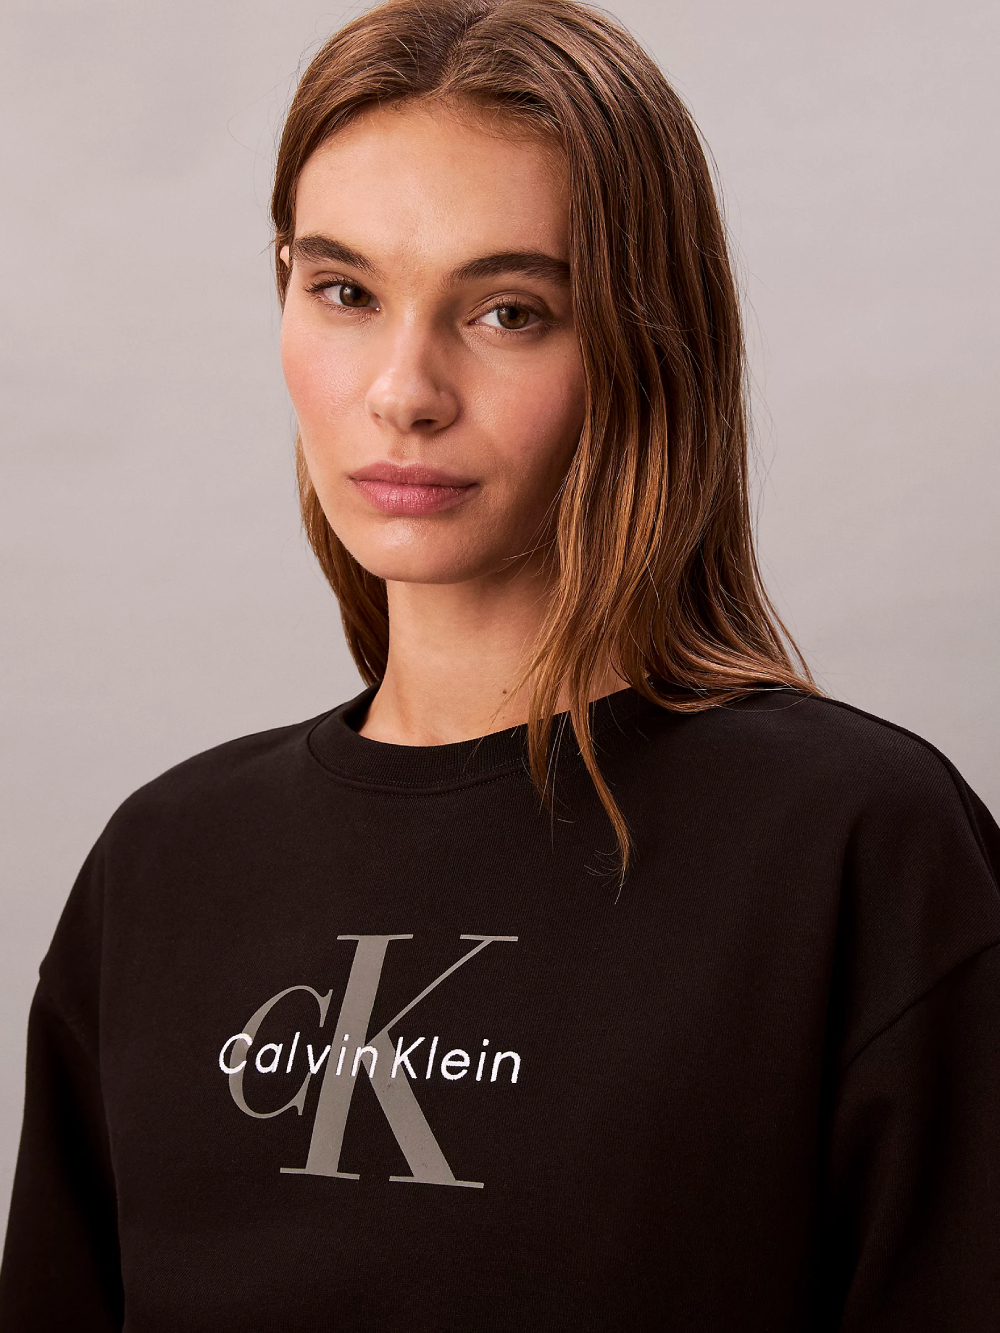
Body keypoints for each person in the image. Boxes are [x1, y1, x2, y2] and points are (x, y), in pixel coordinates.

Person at [2, 0, 998, 1327]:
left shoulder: (859, 850)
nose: (404, 390)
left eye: (509, 310)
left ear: (644, 342)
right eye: (346, 292)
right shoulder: (162, 866)